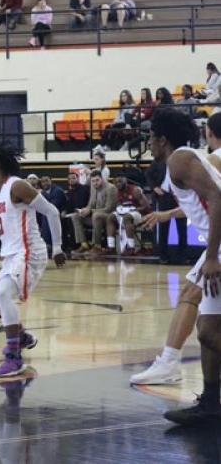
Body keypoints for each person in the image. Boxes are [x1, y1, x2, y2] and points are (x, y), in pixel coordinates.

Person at [135, 108, 220, 426]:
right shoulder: (184, 160)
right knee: (208, 333)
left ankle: (174, 367)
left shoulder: (179, 159)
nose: (149, 144)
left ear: (162, 138)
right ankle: (211, 403)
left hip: (219, 249)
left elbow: (217, 197)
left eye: (151, 137)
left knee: (209, 330)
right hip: (217, 247)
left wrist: (211, 257)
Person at [0, 147, 66, 377]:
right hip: (11, 255)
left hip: (29, 252)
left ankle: (14, 356)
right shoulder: (0, 192)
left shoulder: (17, 185)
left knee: (3, 296)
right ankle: (22, 337)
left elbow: (52, 211)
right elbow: (9, 213)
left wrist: (57, 247)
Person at [145, 159, 187, 264]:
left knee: (182, 227)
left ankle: (182, 256)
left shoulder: (181, 159)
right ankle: (163, 255)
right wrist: (154, 187)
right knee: (163, 226)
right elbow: (148, 174)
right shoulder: (158, 161)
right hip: (164, 195)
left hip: (179, 195)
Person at [71, 170, 118, 253]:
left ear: (102, 179)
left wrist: (91, 211)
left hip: (109, 217)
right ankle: (84, 244)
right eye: (93, 181)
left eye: (97, 180)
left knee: (96, 215)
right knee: (76, 216)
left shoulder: (111, 188)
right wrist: (84, 210)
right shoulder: (93, 187)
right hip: (95, 216)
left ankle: (97, 245)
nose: (95, 183)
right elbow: (90, 204)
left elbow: (109, 208)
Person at [105, 175, 151, 256]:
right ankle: (111, 247)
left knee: (127, 217)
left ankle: (131, 247)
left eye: (120, 181)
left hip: (138, 213)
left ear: (125, 181)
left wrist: (133, 209)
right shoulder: (117, 191)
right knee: (110, 217)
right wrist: (120, 209)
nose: (118, 184)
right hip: (125, 213)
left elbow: (146, 207)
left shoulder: (135, 190)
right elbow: (119, 205)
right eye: (116, 182)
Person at [63, 172, 90, 251]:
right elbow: (68, 206)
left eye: (74, 178)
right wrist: (64, 211)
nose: (72, 180)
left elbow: (88, 203)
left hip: (85, 213)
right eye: (70, 179)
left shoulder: (85, 189)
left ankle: (77, 245)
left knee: (72, 218)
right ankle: (66, 245)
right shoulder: (69, 192)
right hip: (74, 213)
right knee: (62, 219)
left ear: (78, 179)